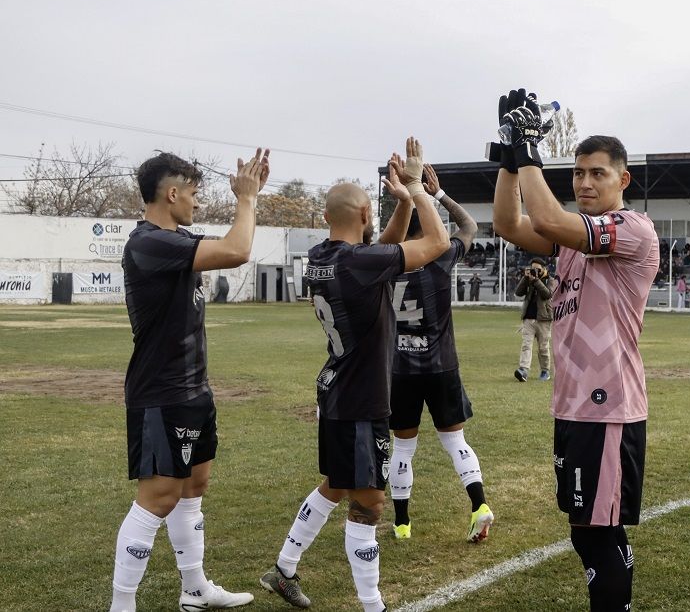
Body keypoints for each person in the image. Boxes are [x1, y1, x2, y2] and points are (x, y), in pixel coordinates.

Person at [259, 139, 449, 611]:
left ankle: (283, 569)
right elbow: (437, 243)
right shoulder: (361, 262)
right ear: (365, 212)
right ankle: (373, 604)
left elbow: (384, 250)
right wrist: (418, 188)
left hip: (337, 389)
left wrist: (402, 202)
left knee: (338, 485)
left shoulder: (325, 258)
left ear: (328, 217)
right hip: (361, 398)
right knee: (368, 505)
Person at [491, 89, 657, 611]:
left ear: (622, 180)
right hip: (572, 405)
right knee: (584, 530)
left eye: (597, 173)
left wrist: (529, 151)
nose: (585, 182)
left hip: (609, 409)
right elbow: (509, 224)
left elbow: (549, 221)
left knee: (600, 533)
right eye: (579, 173)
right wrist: (509, 155)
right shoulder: (571, 238)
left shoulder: (632, 229)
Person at [111, 149, 269, 612]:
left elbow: (225, 244)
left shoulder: (176, 239)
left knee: (194, 485)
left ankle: (195, 589)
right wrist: (247, 199)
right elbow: (238, 250)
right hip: (161, 393)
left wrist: (251, 195)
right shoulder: (150, 243)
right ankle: (121, 605)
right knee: (157, 498)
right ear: (172, 193)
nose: (198, 203)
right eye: (195, 194)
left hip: (193, 389)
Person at [381, 162, 494, 544]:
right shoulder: (440, 259)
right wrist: (435, 193)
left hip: (400, 369)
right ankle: (478, 505)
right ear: (427, 230)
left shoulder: (384, 263)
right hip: (442, 366)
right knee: (455, 442)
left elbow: (382, 241)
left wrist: (407, 199)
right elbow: (469, 227)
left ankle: (401, 523)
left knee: (403, 448)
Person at [514, 258, 552, 382]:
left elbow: (547, 294)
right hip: (528, 318)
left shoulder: (550, 280)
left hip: (544, 319)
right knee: (526, 345)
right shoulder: (528, 280)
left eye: (538, 269)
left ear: (544, 269)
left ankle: (545, 371)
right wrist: (525, 279)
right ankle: (523, 370)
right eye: (532, 269)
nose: (535, 271)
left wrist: (536, 281)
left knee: (543, 348)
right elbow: (519, 292)